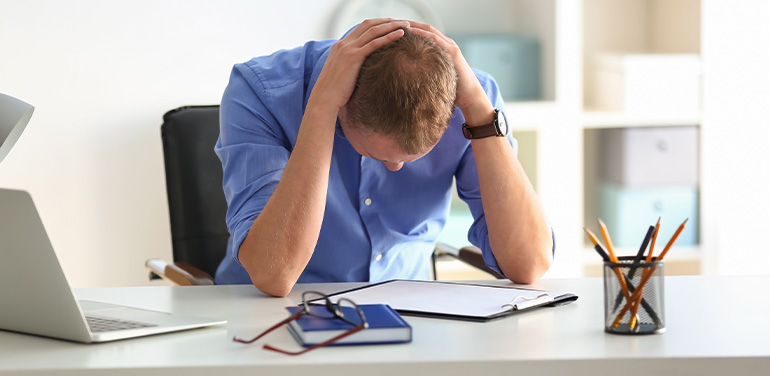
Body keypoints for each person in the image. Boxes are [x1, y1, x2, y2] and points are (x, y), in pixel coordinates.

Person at [215, 19, 553, 297]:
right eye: (374, 152)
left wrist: (480, 114)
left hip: (409, 315)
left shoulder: (473, 99)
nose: (395, 168)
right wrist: (321, 107)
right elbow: (274, 275)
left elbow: (530, 264)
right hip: (271, 315)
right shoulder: (258, 90)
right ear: (344, 105)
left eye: (413, 158)